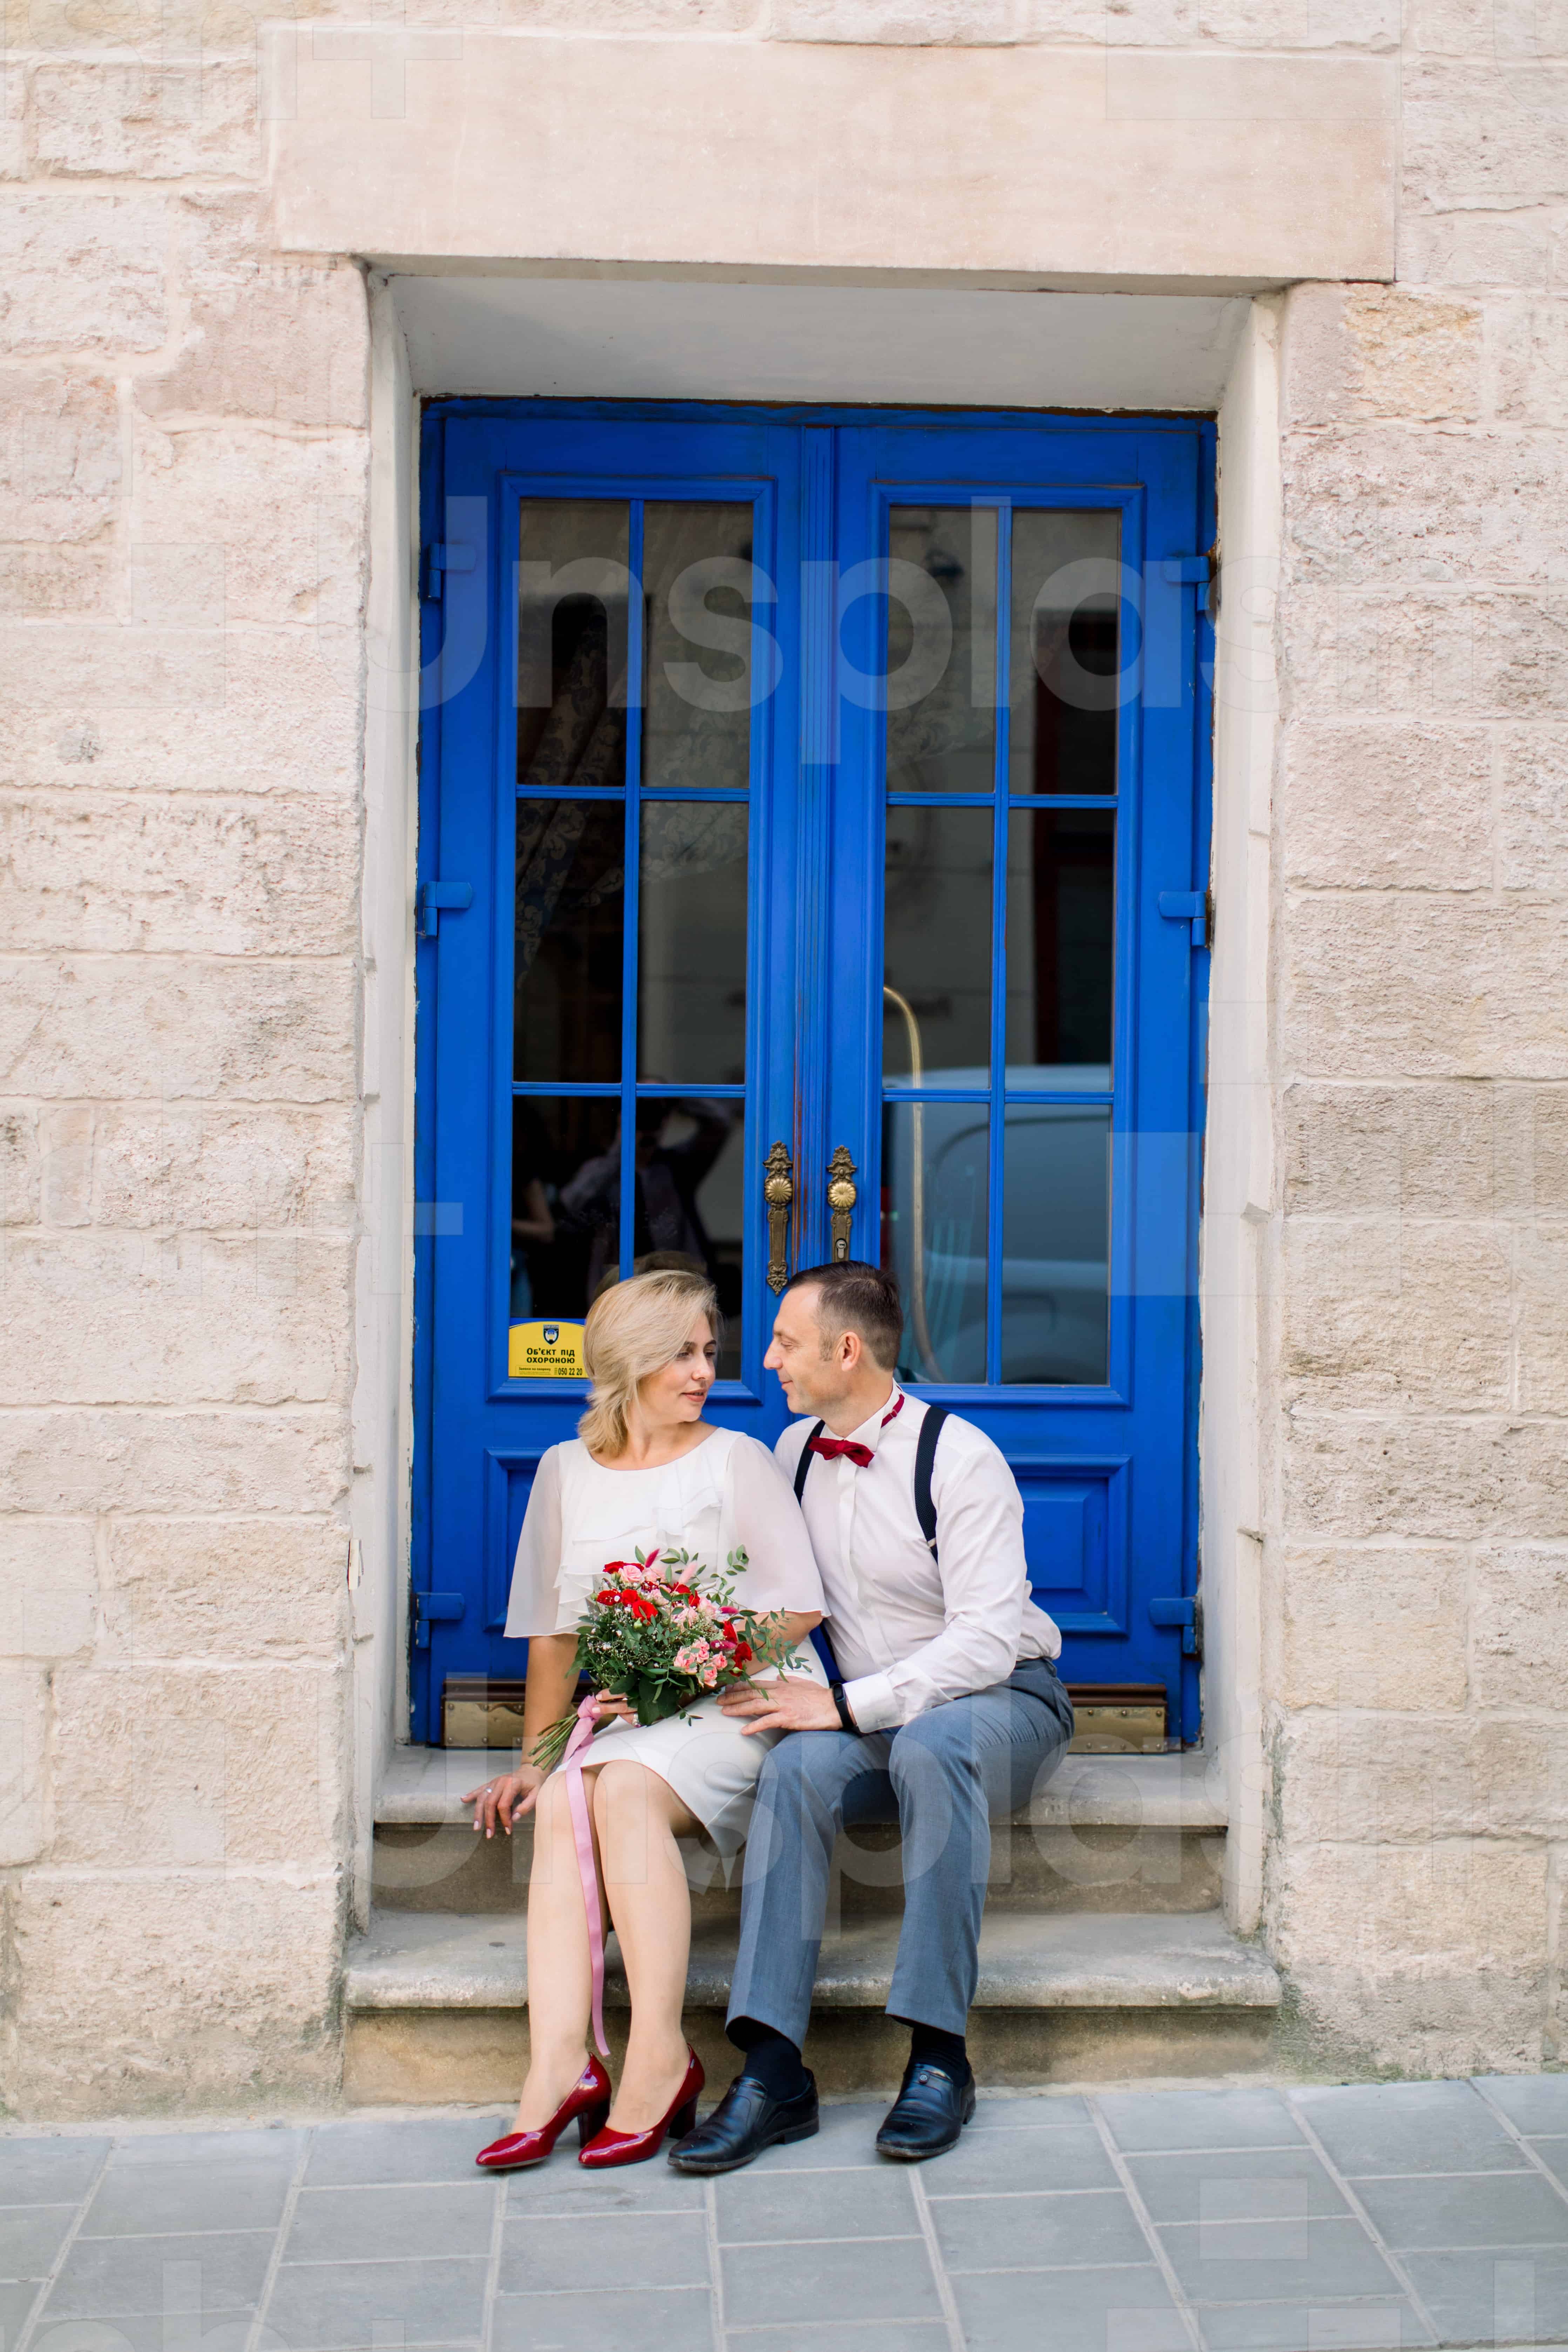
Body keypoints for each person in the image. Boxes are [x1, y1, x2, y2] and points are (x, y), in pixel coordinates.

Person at [669, 1260, 1074, 2173]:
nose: (765, 1358)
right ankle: (774, 2069)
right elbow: (769, 1599)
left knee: (931, 1742)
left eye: (784, 1340)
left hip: (1002, 1701)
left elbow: (982, 1643)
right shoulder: (791, 1454)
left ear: (845, 1350)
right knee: (793, 1768)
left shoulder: (960, 1458)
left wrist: (844, 1704)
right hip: (868, 1717)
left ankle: (940, 2055)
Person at [466, 1267, 825, 2173]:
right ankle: (558, 2065)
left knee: (619, 1786)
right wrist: (536, 1761)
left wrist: (685, 1666)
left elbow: (798, 1607)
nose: (703, 1370)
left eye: (708, 1351)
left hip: (749, 1696)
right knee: (561, 1801)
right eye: (679, 1354)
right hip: (640, 1711)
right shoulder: (564, 1473)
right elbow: (554, 1640)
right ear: (627, 1362)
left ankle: (658, 2055)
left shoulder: (736, 1458)